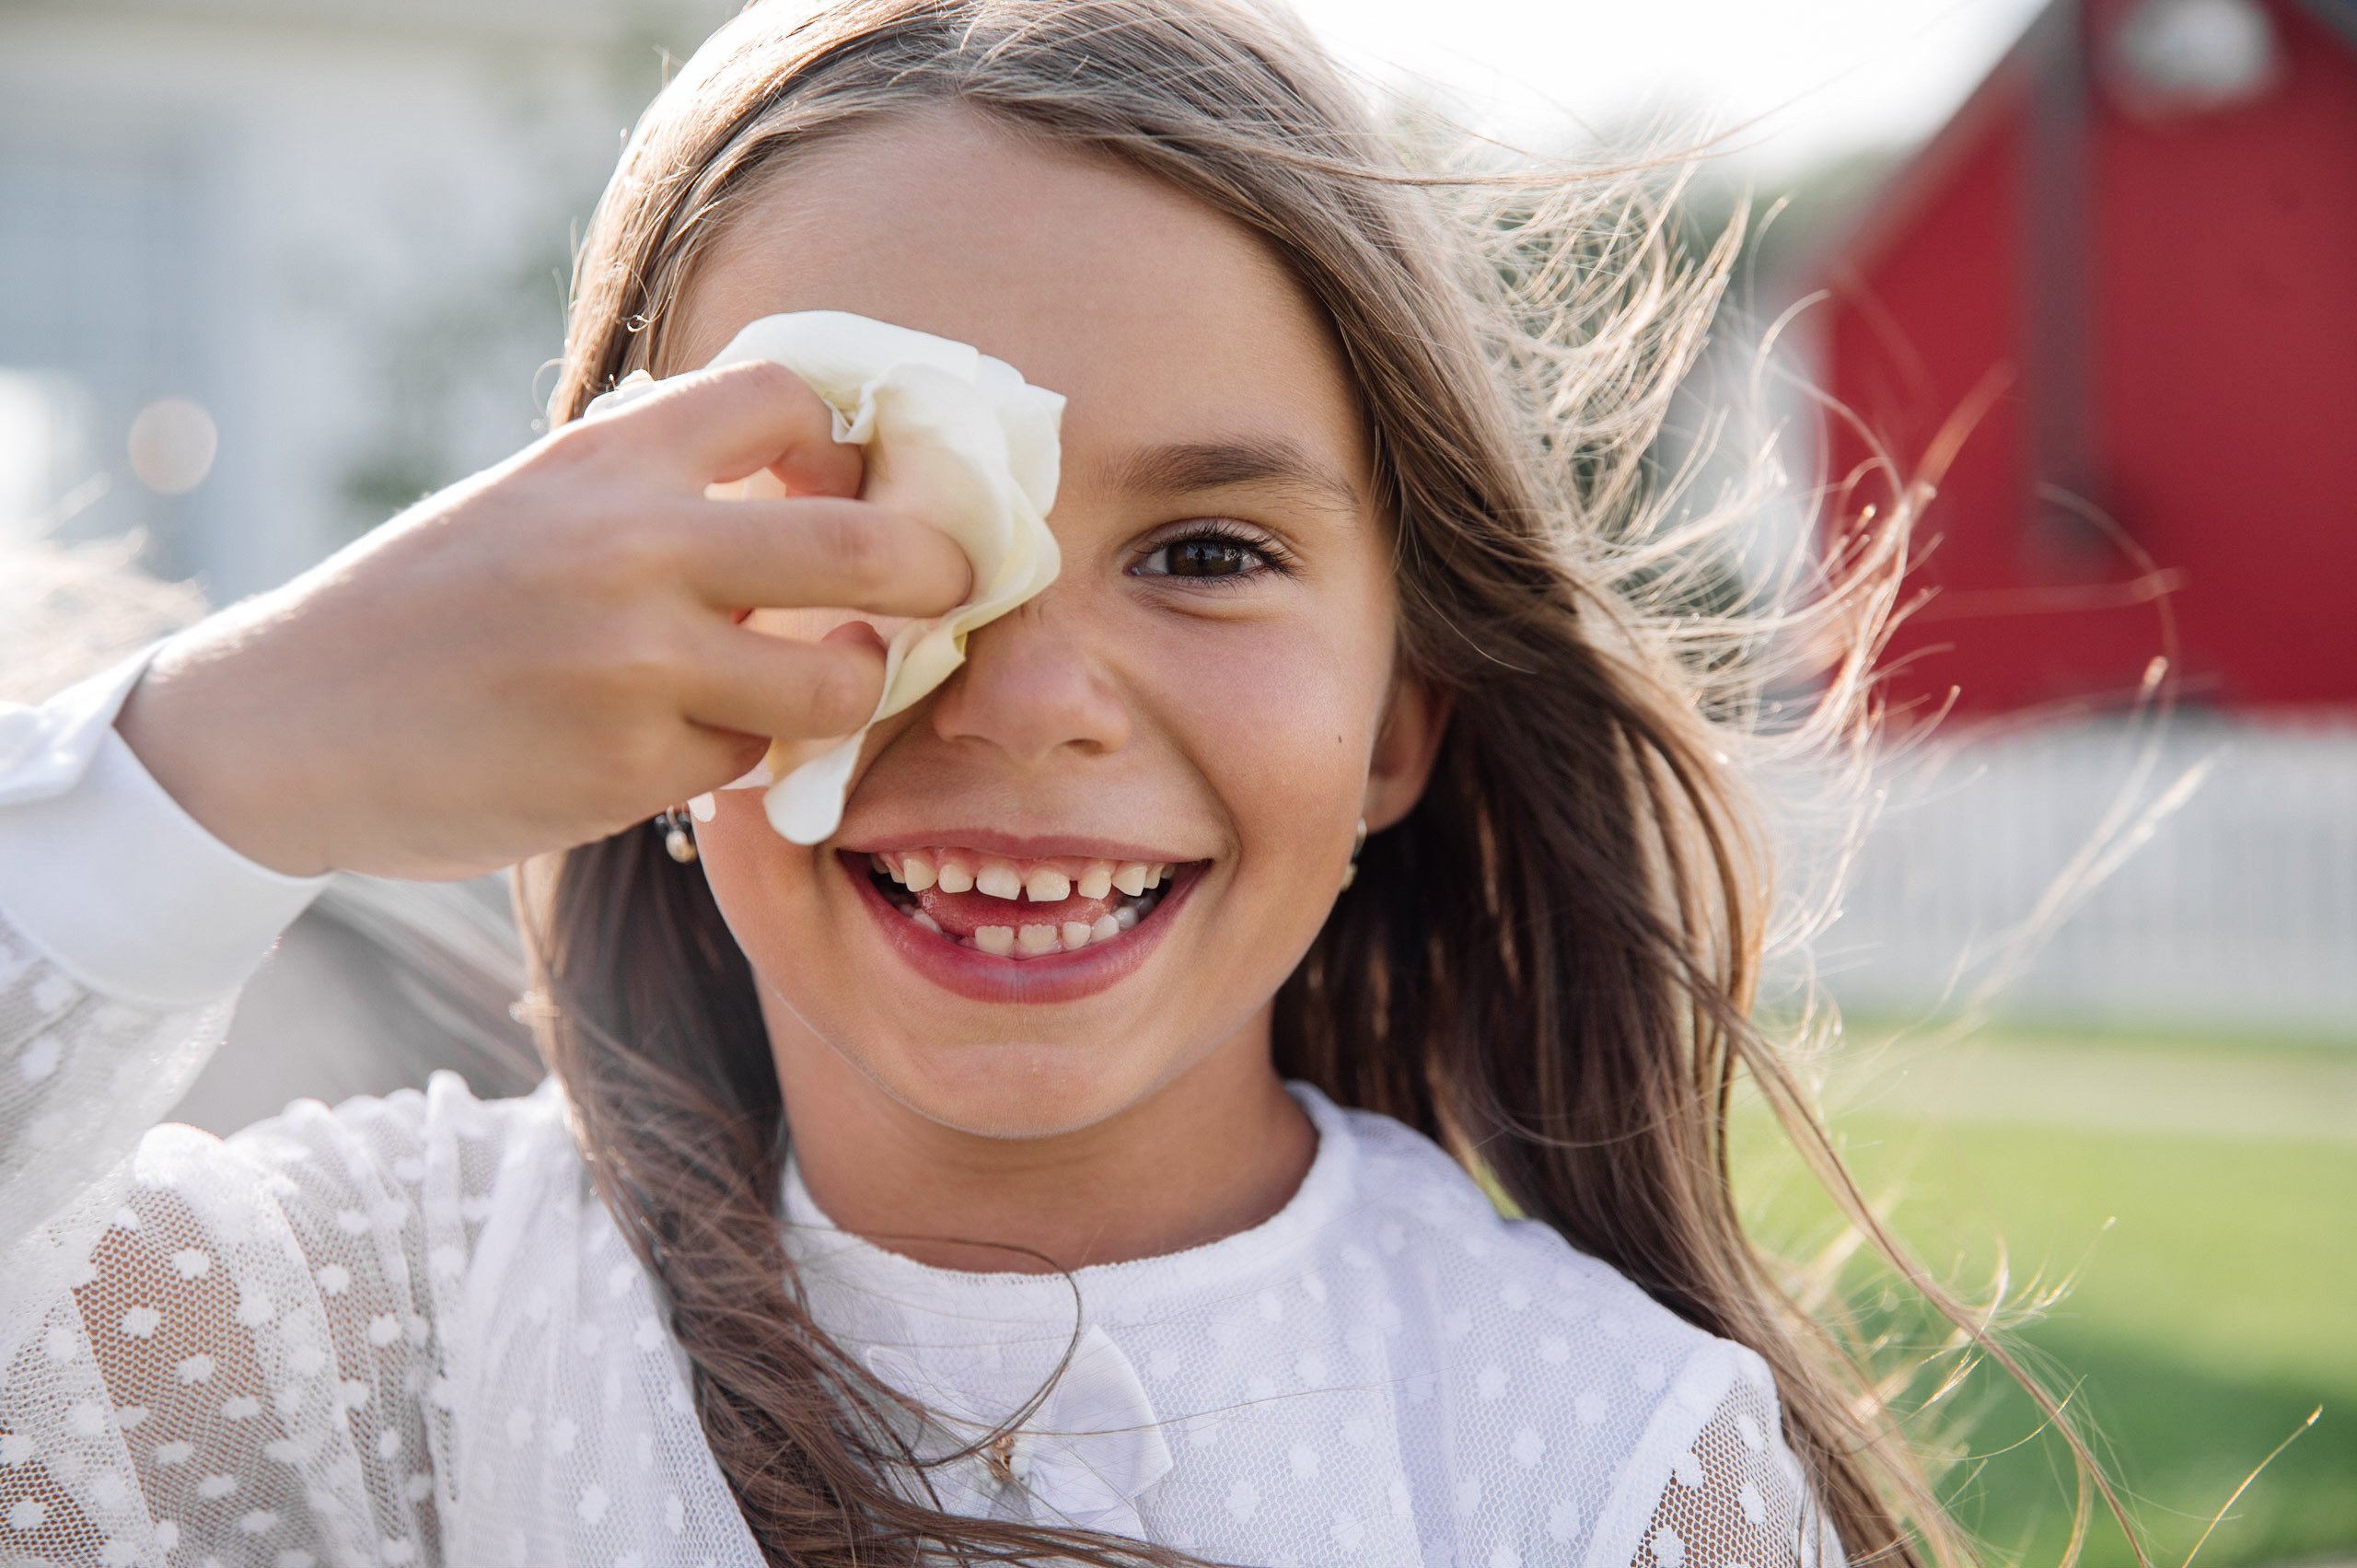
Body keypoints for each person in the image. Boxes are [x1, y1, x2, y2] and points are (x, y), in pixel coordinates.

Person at [0, 2, 1966, 1564]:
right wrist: (223, 754)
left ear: (1398, 715)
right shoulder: (358, 1332)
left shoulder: (1602, 1465)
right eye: (857, 530)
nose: (1024, 700)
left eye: (1204, 552)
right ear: (611, 648)